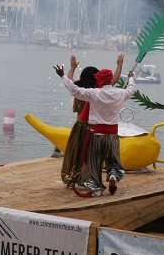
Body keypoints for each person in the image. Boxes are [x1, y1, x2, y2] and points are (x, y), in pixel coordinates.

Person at [54, 59, 135, 196]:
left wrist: (63, 75)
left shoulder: (93, 93)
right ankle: (113, 175)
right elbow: (131, 90)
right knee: (113, 159)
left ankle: (95, 188)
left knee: (93, 162)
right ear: (109, 80)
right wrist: (131, 78)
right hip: (112, 134)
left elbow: (74, 89)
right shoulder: (119, 94)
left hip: (95, 133)